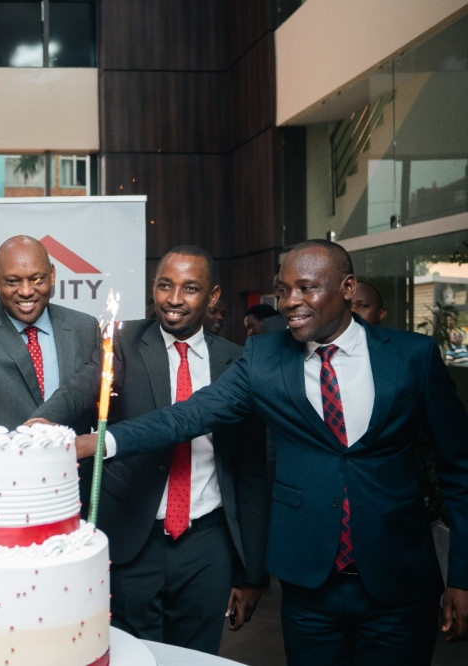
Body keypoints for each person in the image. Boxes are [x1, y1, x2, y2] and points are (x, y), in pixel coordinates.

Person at [76, 239, 468, 665]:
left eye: (306, 288)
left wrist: (463, 577)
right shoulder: (263, 358)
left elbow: (460, 469)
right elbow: (190, 415)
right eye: (282, 290)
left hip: (400, 578)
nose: (290, 302)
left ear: (348, 288)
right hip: (309, 583)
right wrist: (98, 443)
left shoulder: (413, 357)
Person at [90, 246, 268, 654]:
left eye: (190, 288)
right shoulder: (122, 342)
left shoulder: (237, 362)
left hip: (208, 544)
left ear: (213, 296)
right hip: (135, 540)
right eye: (165, 285)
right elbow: (84, 396)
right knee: (135, 657)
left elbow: (251, 472)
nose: (173, 299)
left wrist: (250, 574)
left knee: (196, 657)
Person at [0, 235, 101, 431]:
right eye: (13, 281)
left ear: (52, 275)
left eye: (37, 279)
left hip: (75, 459)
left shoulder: (85, 328)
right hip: (6, 459)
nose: (26, 291)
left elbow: (98, 402)